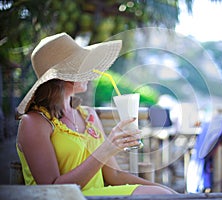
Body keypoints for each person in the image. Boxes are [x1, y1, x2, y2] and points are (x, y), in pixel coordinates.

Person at [16, 32, 177, 196]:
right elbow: (53, 189)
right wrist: (106, 149)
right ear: (64, 76)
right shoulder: (34, 122)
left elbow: (114, 175)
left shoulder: (88, 115)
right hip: (66, 197)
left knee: (163, 195)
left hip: (99, 195)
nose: (91, 72)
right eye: (83, 65)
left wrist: (167, 192)